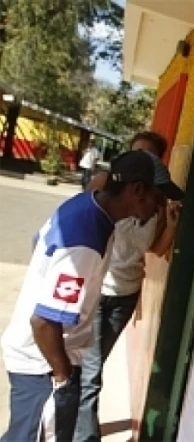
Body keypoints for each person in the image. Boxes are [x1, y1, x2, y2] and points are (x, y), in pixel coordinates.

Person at [0, 150, 167, 442]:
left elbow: (37, 240)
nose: (159, 208)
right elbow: (43, 322)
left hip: (43, 361)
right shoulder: (86, 240)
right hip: (42, 367)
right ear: (137, 190)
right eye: (158, 198)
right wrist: (62, 378)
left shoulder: (88, 208)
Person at [73, 132, 184, 442]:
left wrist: (172, 224)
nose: (142, 160)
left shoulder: (155, 204)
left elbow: (155, 250)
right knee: (92, 371)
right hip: (99, 290)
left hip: (125, 295)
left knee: (93, 364)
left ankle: (69, 420)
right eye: (137, 153)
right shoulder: (109, 192)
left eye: (149, 155)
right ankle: (85, 435)